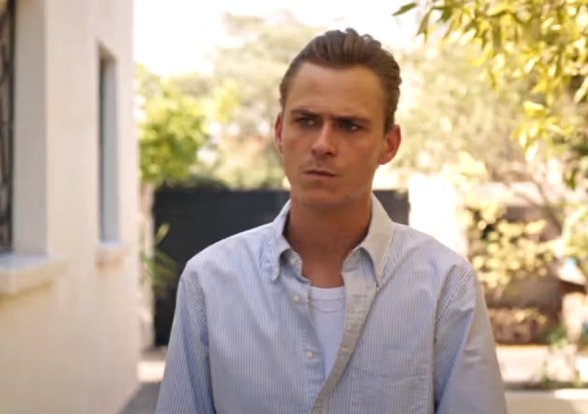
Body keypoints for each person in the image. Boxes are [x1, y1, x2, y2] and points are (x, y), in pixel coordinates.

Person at [155, 28, 507, 414]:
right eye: (306, 121)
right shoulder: (210, 283)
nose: (323, 144)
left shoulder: (444, 285)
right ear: (280, 132)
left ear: (389, 144)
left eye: (350, 125)